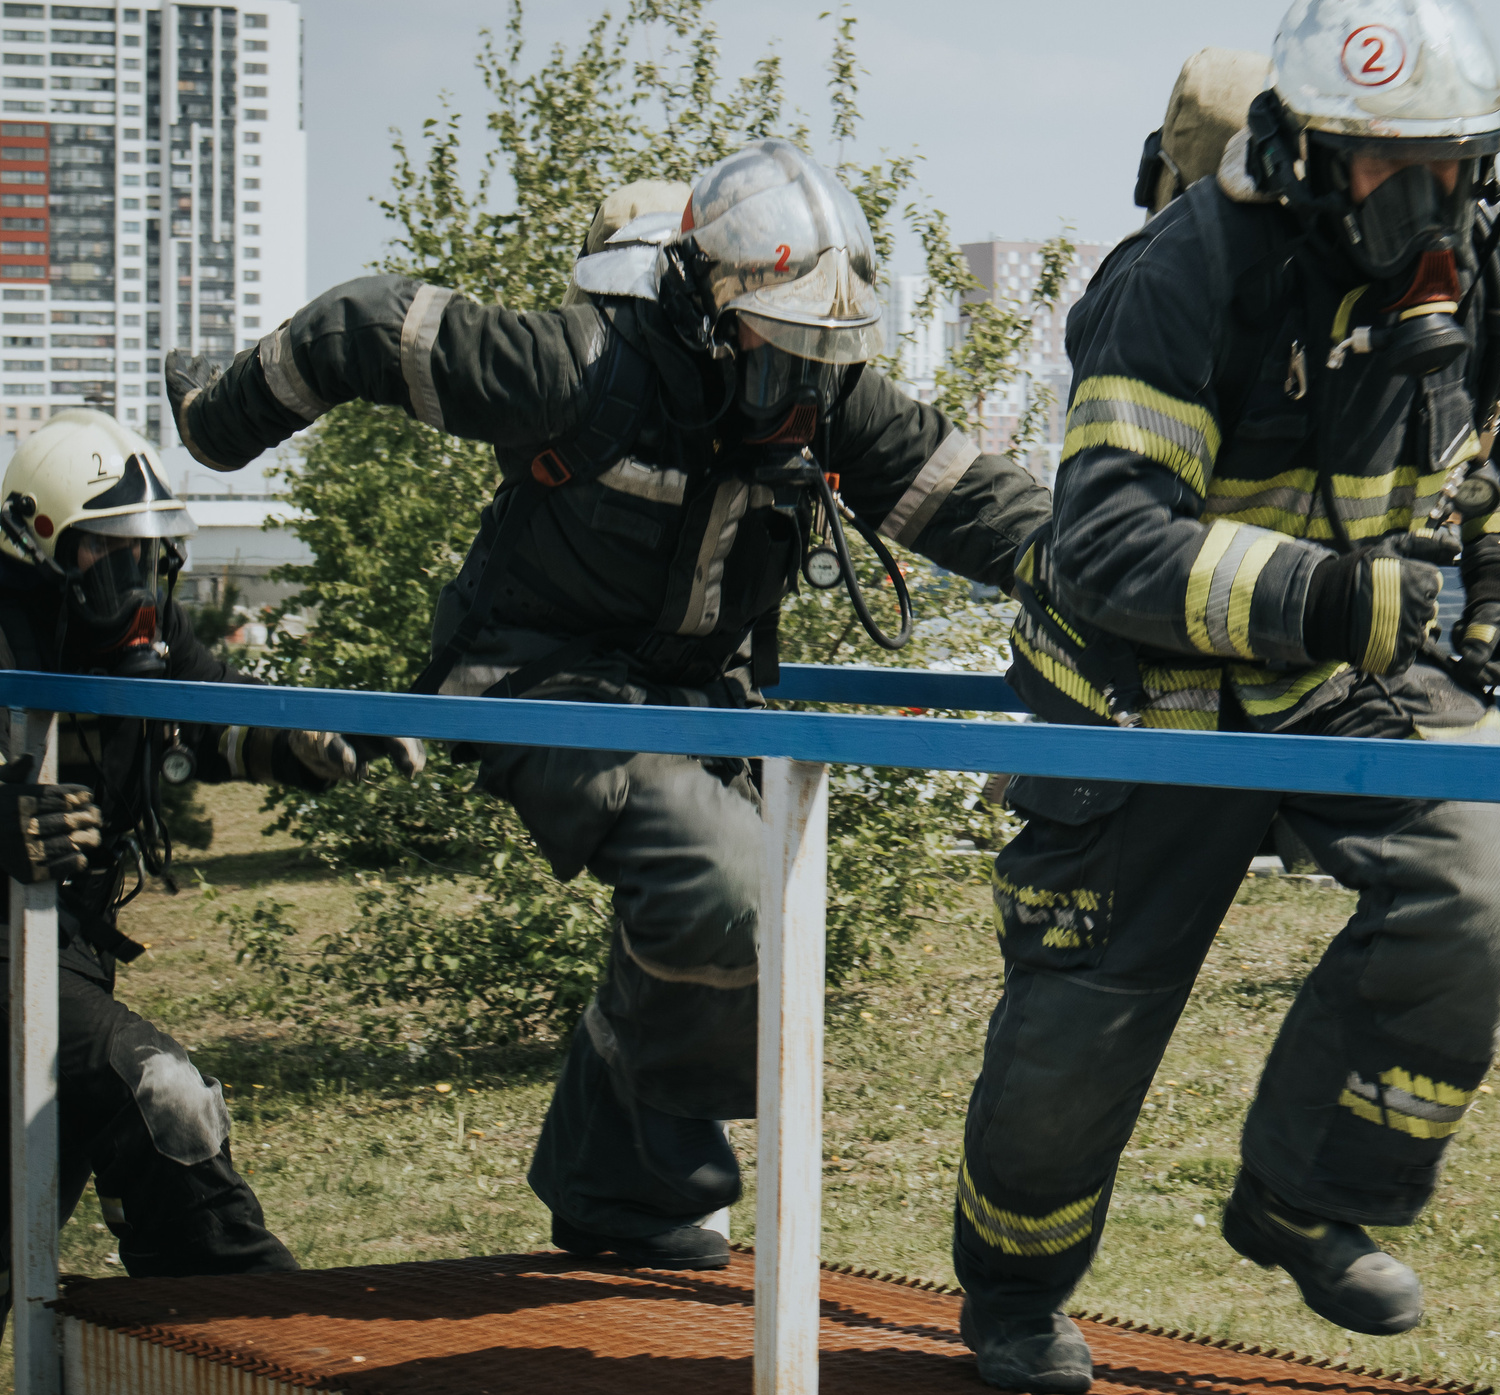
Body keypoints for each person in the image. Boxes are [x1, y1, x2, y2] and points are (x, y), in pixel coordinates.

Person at [165, 141, 1051, 1272]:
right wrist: (216, 425)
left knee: (734, 912)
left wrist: (1133, 593)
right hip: (536, 676)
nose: (800, 387)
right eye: (779, 351)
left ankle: (616, 1195)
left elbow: (989, 508)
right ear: (704, 307)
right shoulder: (579, 364)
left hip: (694, 702)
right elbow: (365, 328)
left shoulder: (830, 399)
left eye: (825, 354)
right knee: (730, 887)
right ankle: (655, 1165)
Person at [951, 0, 1500, 1394]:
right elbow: (1108, 543)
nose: (1427, 208)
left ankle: (1308, 1192)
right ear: (1309, 153)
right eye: (1390, 169)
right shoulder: (1185, 274)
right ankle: (1013, 1284)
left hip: (1350, 671)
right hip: (1142, 691)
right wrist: (1344, 595)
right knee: (1082, 1030)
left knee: (1481, 894)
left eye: (1454, 169)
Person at [1, 409, 425, 1312]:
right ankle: (265, 1329)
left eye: (149, 557)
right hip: (10, 950)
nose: (137, 585)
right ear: (37, 549)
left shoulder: (139, 642)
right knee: (163, 1091)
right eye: (109, 557)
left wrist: (313, 737)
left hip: (63, 952)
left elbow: (217, 710)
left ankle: (228, 1362)